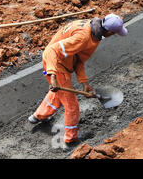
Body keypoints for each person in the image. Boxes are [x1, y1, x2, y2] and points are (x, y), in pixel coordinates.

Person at [28, 14, 128, 148]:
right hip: (56, 65)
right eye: (115, 33)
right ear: (109, 32)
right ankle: (70, 139)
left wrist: (84, 83)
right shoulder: (84, 37)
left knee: (59, 94)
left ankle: (38, 116)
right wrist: (53, 76)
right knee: (72, 104)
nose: (114, 35)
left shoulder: (92, 29)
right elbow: (50, 51)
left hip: (63, 63)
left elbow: (78, 60)